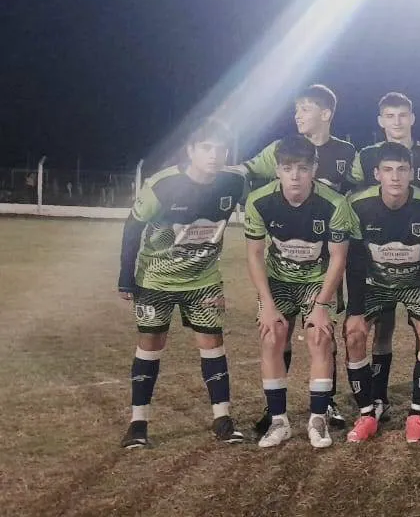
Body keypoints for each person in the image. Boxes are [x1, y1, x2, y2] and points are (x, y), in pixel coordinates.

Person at [117, 120, 247, 448]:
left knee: (213, 343)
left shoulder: (234, 182)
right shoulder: (163, 185)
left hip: (203, 280)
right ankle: (138, 424)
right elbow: (132, 228)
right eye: (207, 148)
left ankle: (222, 419)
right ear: (190, 151)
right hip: (156, 279)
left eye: (221, 149)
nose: (214, 155)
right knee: (150, 345)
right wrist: (125, 277)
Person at [239, 83, 354, 430]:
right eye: (296, 109)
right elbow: (245, 171)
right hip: (284, 264)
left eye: (305, 109)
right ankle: (275, 409)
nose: (297, 115)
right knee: (278, 331)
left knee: (323, 332)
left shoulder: (348, 152)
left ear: (325, 113)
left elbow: (379, 174)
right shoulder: (281, 149)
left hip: (327, 257)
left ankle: (326, 402)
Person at [347, 92, 420, 424]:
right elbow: (355, 258)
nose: (395, 175)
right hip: (378, 272)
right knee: (378, 330)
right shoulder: (365, 162)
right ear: (377, 172)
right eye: (390, 116)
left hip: (415, 268)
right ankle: (377, 398)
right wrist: (354, 309)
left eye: (403, 115)